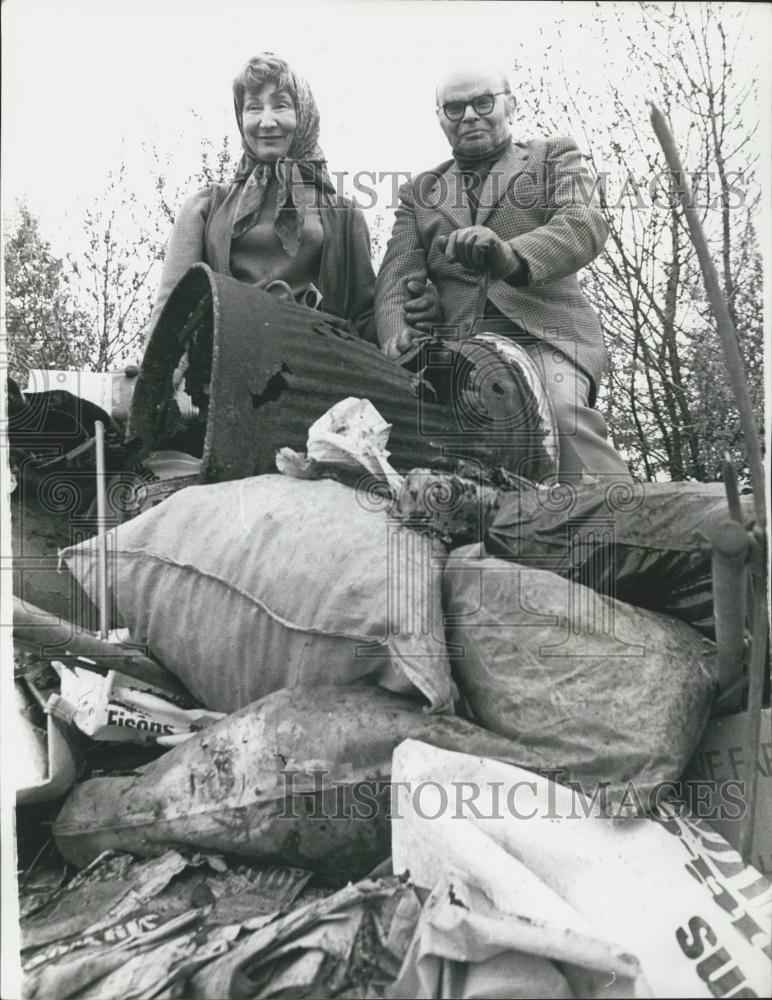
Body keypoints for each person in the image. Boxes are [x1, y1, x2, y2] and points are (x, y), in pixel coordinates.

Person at [375, 64, 630, 481]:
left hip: (545, 339)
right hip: (453, 354)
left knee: (560, 414)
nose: (470, 116)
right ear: (439, 118)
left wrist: (510, 257)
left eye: (483, 102)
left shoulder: (553, 157)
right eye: (454, 108)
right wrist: (397, 332)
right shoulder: (420, 193)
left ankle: (625, 532)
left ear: (510, 104)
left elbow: (583, 223)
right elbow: (395, 277)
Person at [144, 53, 437, 351]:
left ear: (304, 113)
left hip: (315, 369)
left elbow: (363, 317)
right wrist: (153, 365)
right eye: (253, 107)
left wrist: (411, 311)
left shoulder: (344, 215)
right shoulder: (206, 206)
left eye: (281, 106)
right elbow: (171, 308)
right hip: (226, 365)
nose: (266, 122)